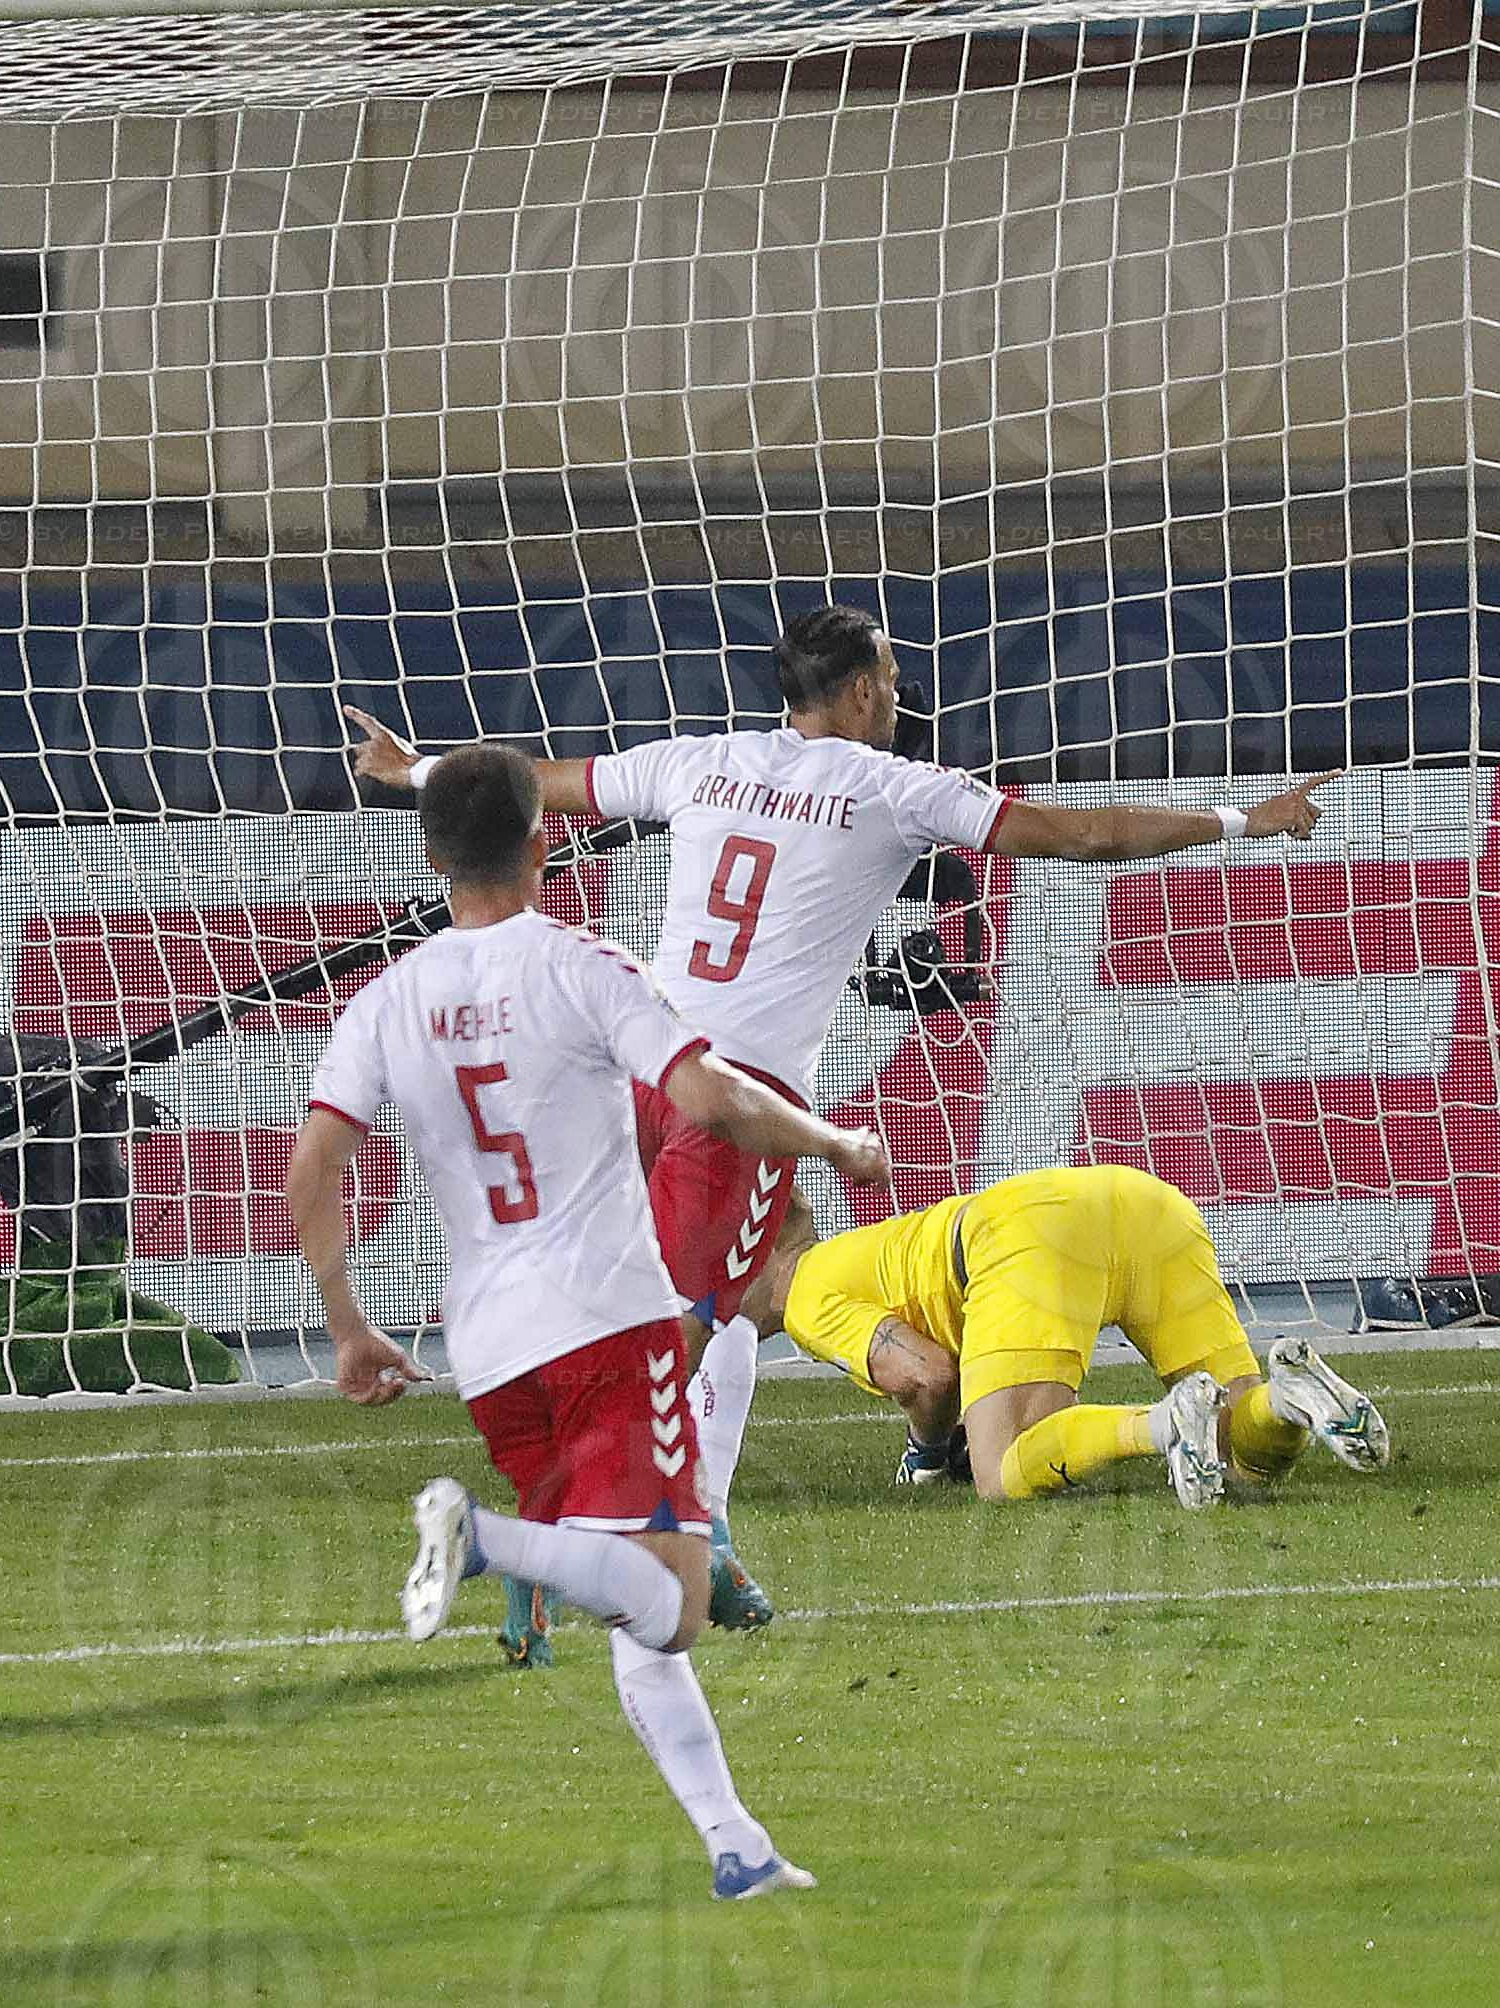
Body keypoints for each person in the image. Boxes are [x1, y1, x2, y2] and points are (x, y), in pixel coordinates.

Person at [349, 606, 1336, 1609]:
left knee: (740, 1289)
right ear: (860, 689)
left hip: (634, 1073)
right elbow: (1080, 836)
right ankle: (543, 1540)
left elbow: (540, 784)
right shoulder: (892, 788)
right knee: (685, 1330)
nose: (901, 694)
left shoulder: (698, 760)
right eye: (894, 677)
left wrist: (422, 768)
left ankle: (696, 1536)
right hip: (733, 1101)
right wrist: (1239, 820)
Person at [286, 743, 890, 1900]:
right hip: (610, 1326)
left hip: (489, 1350)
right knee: (671, 1602)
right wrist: (833, 1143)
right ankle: (486, 1539)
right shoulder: (581, 964)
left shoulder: (385, 1001)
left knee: (628, 1597)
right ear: (545, 841)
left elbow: (315, 1164)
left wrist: (345, 1322)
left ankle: (735, 1844)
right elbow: (710, 1095)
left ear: (429, 856)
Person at [742, 1162, 1393, 1505]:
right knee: (1241, 1455)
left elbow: (928, 1375)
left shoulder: (804, 1294)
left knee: (1002, 1470)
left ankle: (1164, 1425)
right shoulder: (862, 1253)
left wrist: (929, 1455)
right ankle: (1287, 1400)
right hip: (1144, 1202)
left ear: (748, 1253)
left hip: (1032, 1234)